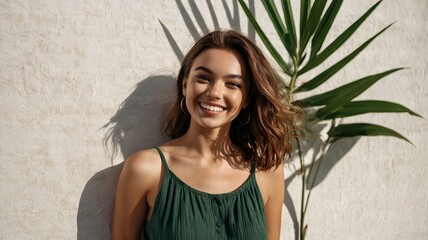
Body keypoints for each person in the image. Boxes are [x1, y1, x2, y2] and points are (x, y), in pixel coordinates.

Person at [112, 29, 297, 240]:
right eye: (204, 78)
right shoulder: (146, 169)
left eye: (233, 84)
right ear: (184, 85)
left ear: (246, 98)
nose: (214, 93)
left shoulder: (267, 169)